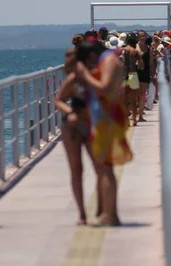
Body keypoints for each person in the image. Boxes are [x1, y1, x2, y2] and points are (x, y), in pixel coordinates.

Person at [75, 41, 133, 226]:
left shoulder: (108, 60)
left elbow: (104, 87)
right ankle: (111, 213)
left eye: (89, 63)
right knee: (106, 168)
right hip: (109, 116)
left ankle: (109, 214)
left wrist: (85, 76)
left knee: (105, 169)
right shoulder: (111, 58)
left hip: (107, 118)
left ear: (92, 56)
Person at [54, 48, 93, 225]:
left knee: (100, 167)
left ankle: (100, 208)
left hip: (91, 124)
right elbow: (58, 100)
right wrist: (70, 112)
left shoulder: (93, 76)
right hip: (72, 126)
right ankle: (82, 213)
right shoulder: (72, 80)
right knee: (76, 170)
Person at [121, 33, 144, 126]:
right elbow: (141, 66)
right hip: (133, 74)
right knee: (133, 100)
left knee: (124, 100)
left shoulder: (123, 50)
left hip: (124, 76)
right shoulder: (135, 52)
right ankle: (134, 119)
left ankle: (126, 121)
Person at [136, 30, 151, 121]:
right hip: (135, 72)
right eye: (141, 36)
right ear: (138, 37)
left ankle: (140, 115)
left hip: (145, 72)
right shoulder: (135, 47)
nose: (142, 38)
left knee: (142, 94)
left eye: (144, 36)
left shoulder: (149, 48)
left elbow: (151, 62)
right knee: (135, 94)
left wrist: (153, 73)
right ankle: (134, 113)